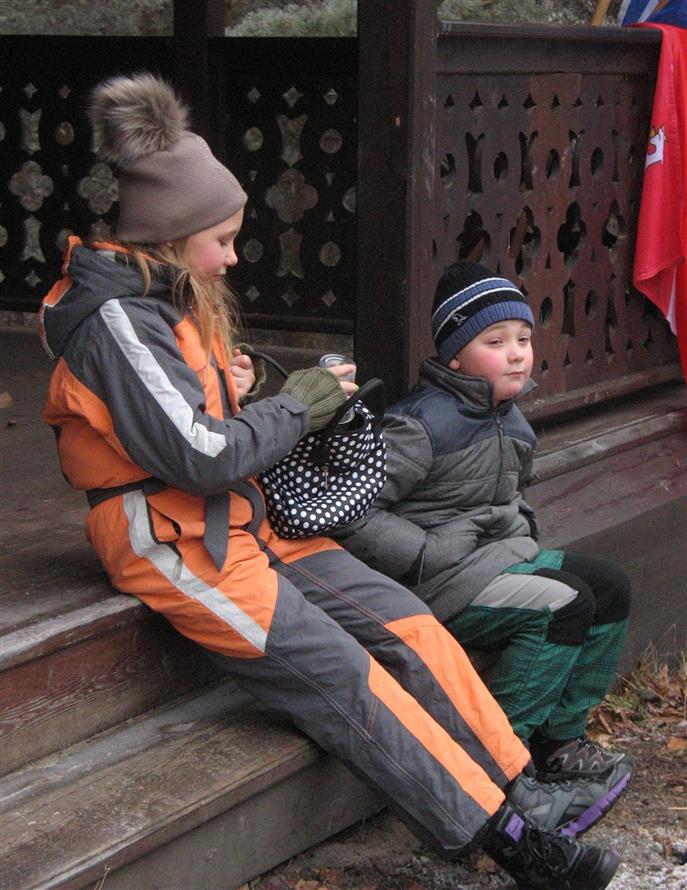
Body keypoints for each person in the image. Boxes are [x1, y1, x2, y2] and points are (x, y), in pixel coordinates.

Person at [40, 74, 622, 890]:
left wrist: (246, 391)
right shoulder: (114, 320)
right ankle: (513, 840)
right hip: (171, 538)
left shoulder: (170, 298)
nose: (232, 256)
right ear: (172, 234)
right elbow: (195, 454)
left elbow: (192, 423)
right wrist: (297, 407)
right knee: (344, 676)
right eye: (222, 240)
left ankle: (518, 783)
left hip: (242, 515)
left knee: (410, 624)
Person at [334, 260, 633, 790]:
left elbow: (509, 494)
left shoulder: (510, 417)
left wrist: (523, 524)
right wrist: (422, 553)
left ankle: (560, 740)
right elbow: (350, 510)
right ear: (455, 355)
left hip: (496, 561)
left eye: (523, 338)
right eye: (495, 341)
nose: (516, 353)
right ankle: (499, 759)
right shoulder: (419, 424)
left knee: (611, 587)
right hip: (438, 581)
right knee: (563, 606)